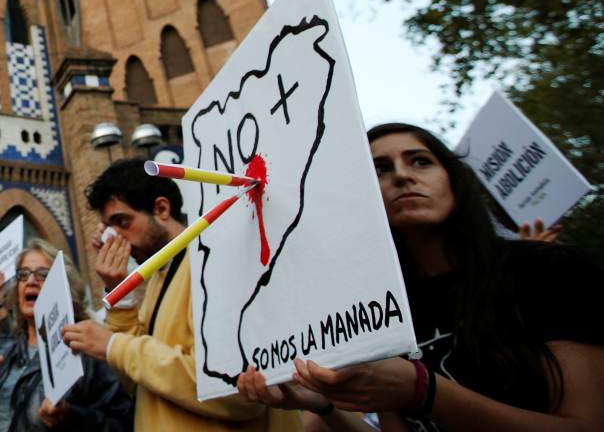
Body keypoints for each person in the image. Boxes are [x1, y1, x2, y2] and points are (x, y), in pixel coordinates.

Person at [238, 123, 604, 431]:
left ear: (453, 179)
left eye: (420, 161)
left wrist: (423, 390)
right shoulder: (381, 308)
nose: (402, 175)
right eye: (379, 169)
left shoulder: (549, 271)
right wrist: (321, 405)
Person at [62, 158, 303, 431]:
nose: (114, 240)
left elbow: (232, 391)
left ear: (161, 209)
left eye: (122, 222)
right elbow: (138, 382)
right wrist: (122, 297)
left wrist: (114, 346)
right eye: (108, 229)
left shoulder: (211, 261)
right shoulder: (159, 276)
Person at [0, 238, 133, 432]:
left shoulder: (87, 353)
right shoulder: (6, 352)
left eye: (42, 274)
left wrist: (72, 416)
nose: (30, 281)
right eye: (23, 274)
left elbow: (124, 423)